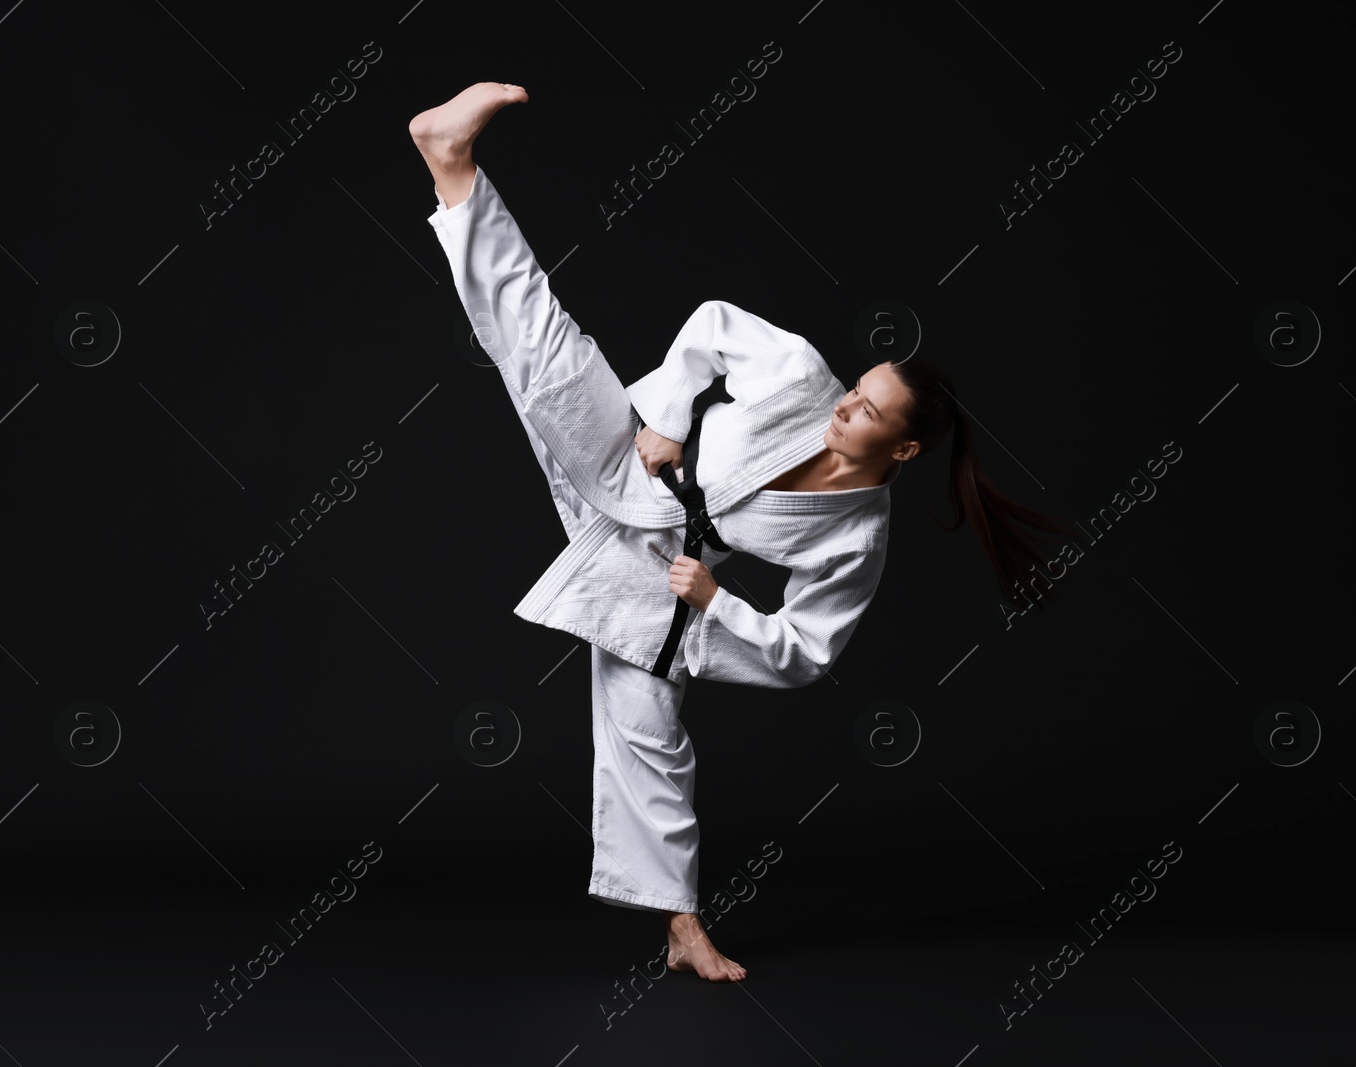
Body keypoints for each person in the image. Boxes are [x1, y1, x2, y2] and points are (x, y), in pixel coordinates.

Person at [410, 83, 1068, 982]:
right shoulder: (801, 376)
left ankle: (681, 926)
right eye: (856, 386)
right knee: (543, 348)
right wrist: (673, 415)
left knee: (649, 729)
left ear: (903, 447)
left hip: (659, 562)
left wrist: (717, 601)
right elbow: (715, 326)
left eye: (868, 408)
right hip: (635, 455)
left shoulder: (855, 538)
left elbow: (805, 650)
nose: (846, 403)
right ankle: (453, 163)